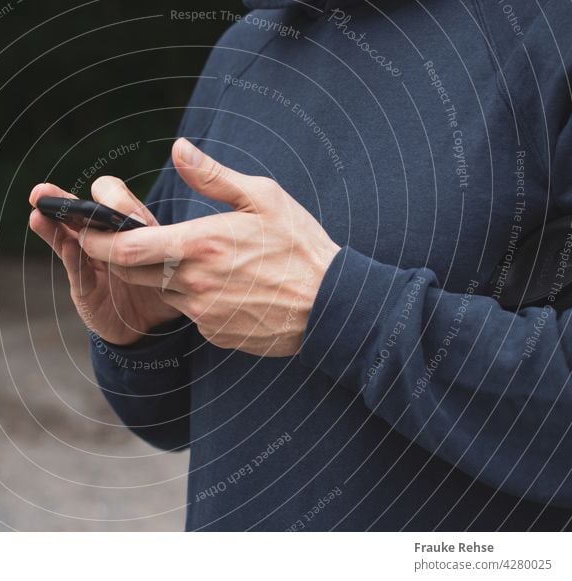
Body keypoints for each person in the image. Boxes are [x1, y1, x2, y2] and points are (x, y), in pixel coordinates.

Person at [29, 0, 572, 530]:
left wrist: (333, 307)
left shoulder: (550, 35)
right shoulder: (246, 46)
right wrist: (143, 335)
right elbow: (170, 422)